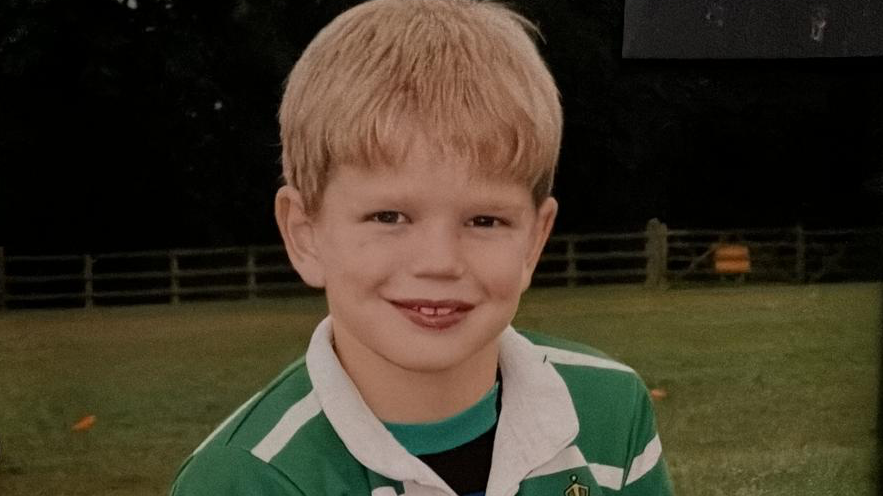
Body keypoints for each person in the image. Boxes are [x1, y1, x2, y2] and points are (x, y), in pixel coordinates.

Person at [169, 0, 675, 494]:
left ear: (534, 241)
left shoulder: (612, 411)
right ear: (305, 234)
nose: (439, 262)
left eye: (484, 220)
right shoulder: (241, 479)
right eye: (388, 217)